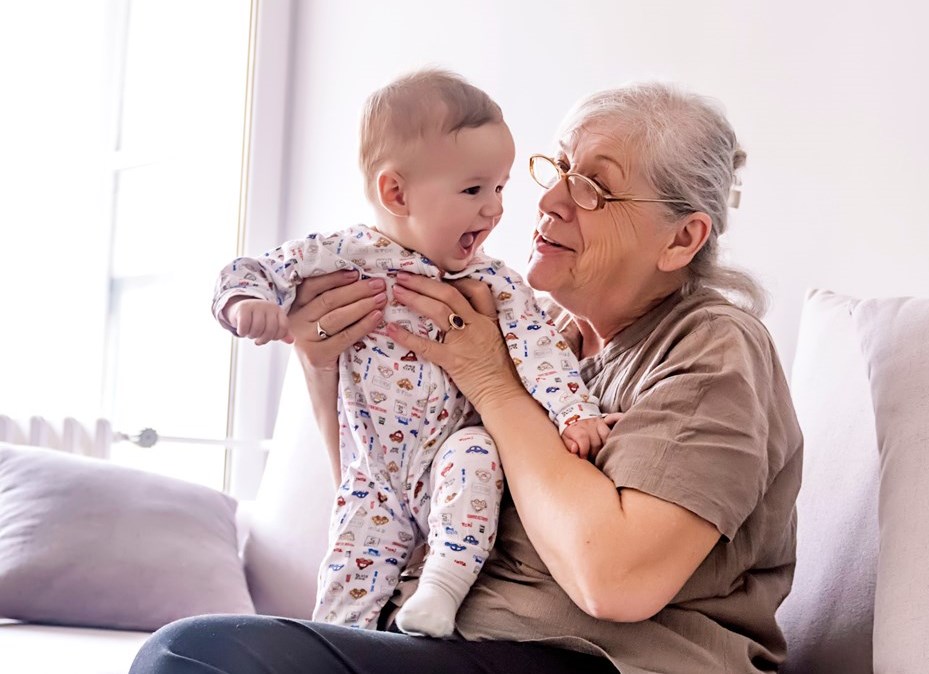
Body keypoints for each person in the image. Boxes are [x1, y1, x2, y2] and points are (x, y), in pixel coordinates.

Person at [134, 81, 803, 674]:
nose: (550, 199)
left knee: (196, 656)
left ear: (681, 240)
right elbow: (394, 498)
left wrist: (491, 383)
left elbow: (616, 581)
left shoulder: (714, 347)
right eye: (559, 167)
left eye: (594, 186)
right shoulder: (535, 331)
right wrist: (320, 364)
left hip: (601, 660)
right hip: (450, 639)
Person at [209, 69, 609, 637]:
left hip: (449, 457)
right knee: (345, 586)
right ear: (396, 192)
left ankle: (440, 590)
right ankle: (337, 644)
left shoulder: (492, 280)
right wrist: (245, 302)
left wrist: (575, 412)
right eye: (474, 190)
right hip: (373, 475)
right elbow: (251, 269)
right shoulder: (343, 255)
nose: (494, 210)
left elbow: (541, 349)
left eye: (499, 189)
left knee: (477, 453)